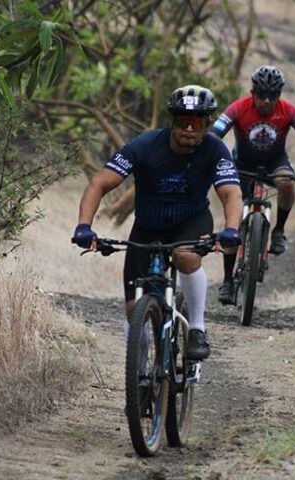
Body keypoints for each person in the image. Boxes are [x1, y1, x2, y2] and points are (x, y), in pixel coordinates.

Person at [72, 85, 243, 360]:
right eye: (182, 121)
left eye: (196, 122)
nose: (189, 128)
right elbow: (99, 184)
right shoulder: (145, 145)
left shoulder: (215, 149)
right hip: (148, 225)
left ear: (206, 125)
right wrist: (84, 226)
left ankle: (197, 327)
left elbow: (231, 193)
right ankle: (138, 382)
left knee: (185, 257)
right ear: (171, 121)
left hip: (192, 221)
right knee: (133, 311)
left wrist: (232, 229)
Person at [211, 65, 295, 305]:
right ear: (252, 92)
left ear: (279, 95)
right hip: (242, 164)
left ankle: (279, 230)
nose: (266, 100)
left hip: (275, 163)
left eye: (273, 96)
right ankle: (228, 281)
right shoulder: (238, 108)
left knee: (286, 181)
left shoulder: (289, 111)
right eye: (261, 94)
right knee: (232, 221)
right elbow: (215, 135)